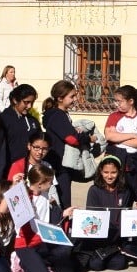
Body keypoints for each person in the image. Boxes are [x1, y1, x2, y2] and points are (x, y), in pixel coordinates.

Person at [12, 163, 82, 272]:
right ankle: (19, 260)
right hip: (26, 243)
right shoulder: (25, 196)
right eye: (49, 182)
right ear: (39, 184)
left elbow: (48, 218)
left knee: (66, 249)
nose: (51, 185)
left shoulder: (45, 196)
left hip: (43, 240)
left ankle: (43, 263)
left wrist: (64, 213)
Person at [40, 80, 86, 216]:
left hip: (61, 164)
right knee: (62, 202)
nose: (74, 100)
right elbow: (71, 139)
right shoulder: (57, 115)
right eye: (71, 96)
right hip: (59, 165)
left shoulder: (61, 114)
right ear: (60, 98)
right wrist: (87, 138)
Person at [0, 84, 41, 168]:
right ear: (15, 100)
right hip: (9, 169)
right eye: (26, 102)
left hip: (31, 168)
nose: (29, 106)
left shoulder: (33, 121)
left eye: (32, 103)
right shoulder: (3, 120)